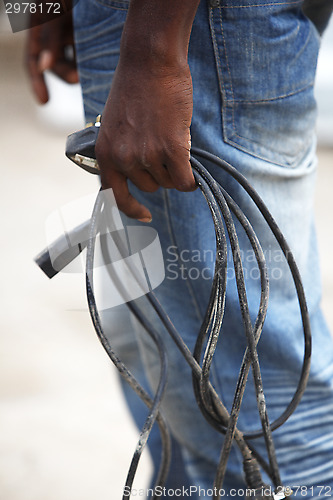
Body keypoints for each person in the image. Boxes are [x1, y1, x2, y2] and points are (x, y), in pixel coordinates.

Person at [26, 0, 333, 498]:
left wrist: (155, 50)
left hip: (188, 26)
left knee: (259, 426)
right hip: (154, 23)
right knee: (167, 378)